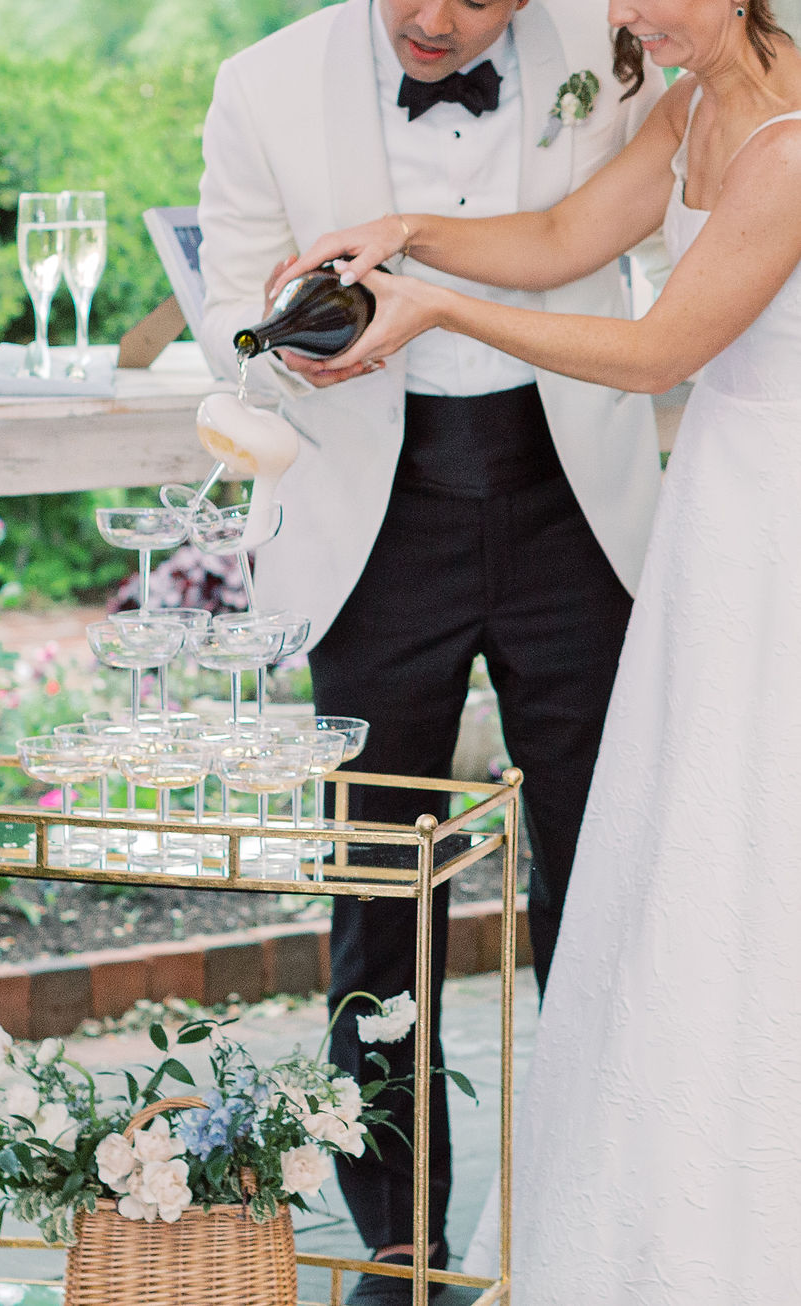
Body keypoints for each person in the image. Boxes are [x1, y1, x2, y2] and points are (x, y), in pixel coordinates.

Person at [282, 1, 801, 1299]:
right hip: (709, 529)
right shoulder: (688, 104)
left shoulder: (790, 147)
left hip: (773, 518)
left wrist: (441, 308)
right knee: (676, 856)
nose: (621, 16)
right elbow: (570, 236)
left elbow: (659, 350)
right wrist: (404, 231)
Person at [197, 2, 664, 1297]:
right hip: (372, 529)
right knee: (382, 898)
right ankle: (403, 1247)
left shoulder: (622, 49)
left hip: (578, 508)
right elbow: (228, 319)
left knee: (606, 875)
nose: (435, 17)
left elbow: (647, 239)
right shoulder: (261, 84)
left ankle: (607, 1211)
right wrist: (297, 344)